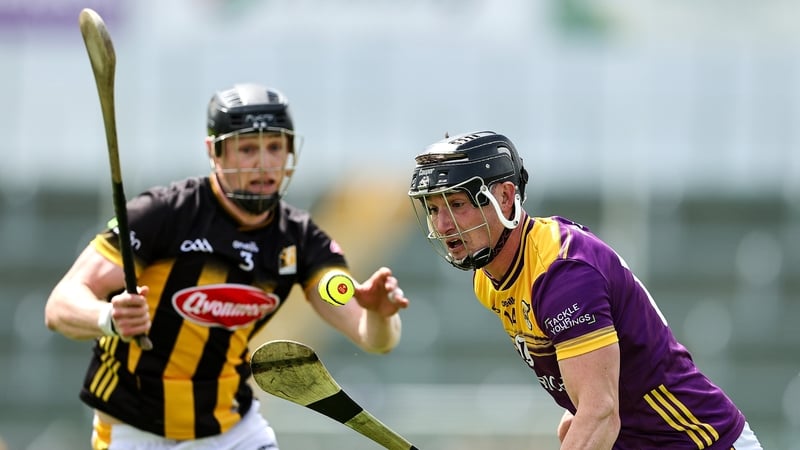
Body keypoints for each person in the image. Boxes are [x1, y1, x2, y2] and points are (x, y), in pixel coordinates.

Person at [45, 83, 410, 450]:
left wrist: (378, 314)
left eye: (274, 148)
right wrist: (108, 317)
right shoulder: (162, 215)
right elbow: (60, 305)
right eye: (249, 149)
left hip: (230, 429)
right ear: (214, 152)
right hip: (132, 429)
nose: (264, 163)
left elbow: (371, 337)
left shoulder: (300, 240)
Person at [406, 130, 762, 449]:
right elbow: (586, 405)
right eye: (434, 208)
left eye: (456, 205)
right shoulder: (490, 280)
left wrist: (588, 416)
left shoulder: (563, 274)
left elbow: (600, 413)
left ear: (505, 196)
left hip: (698, 442)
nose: (442, 225)